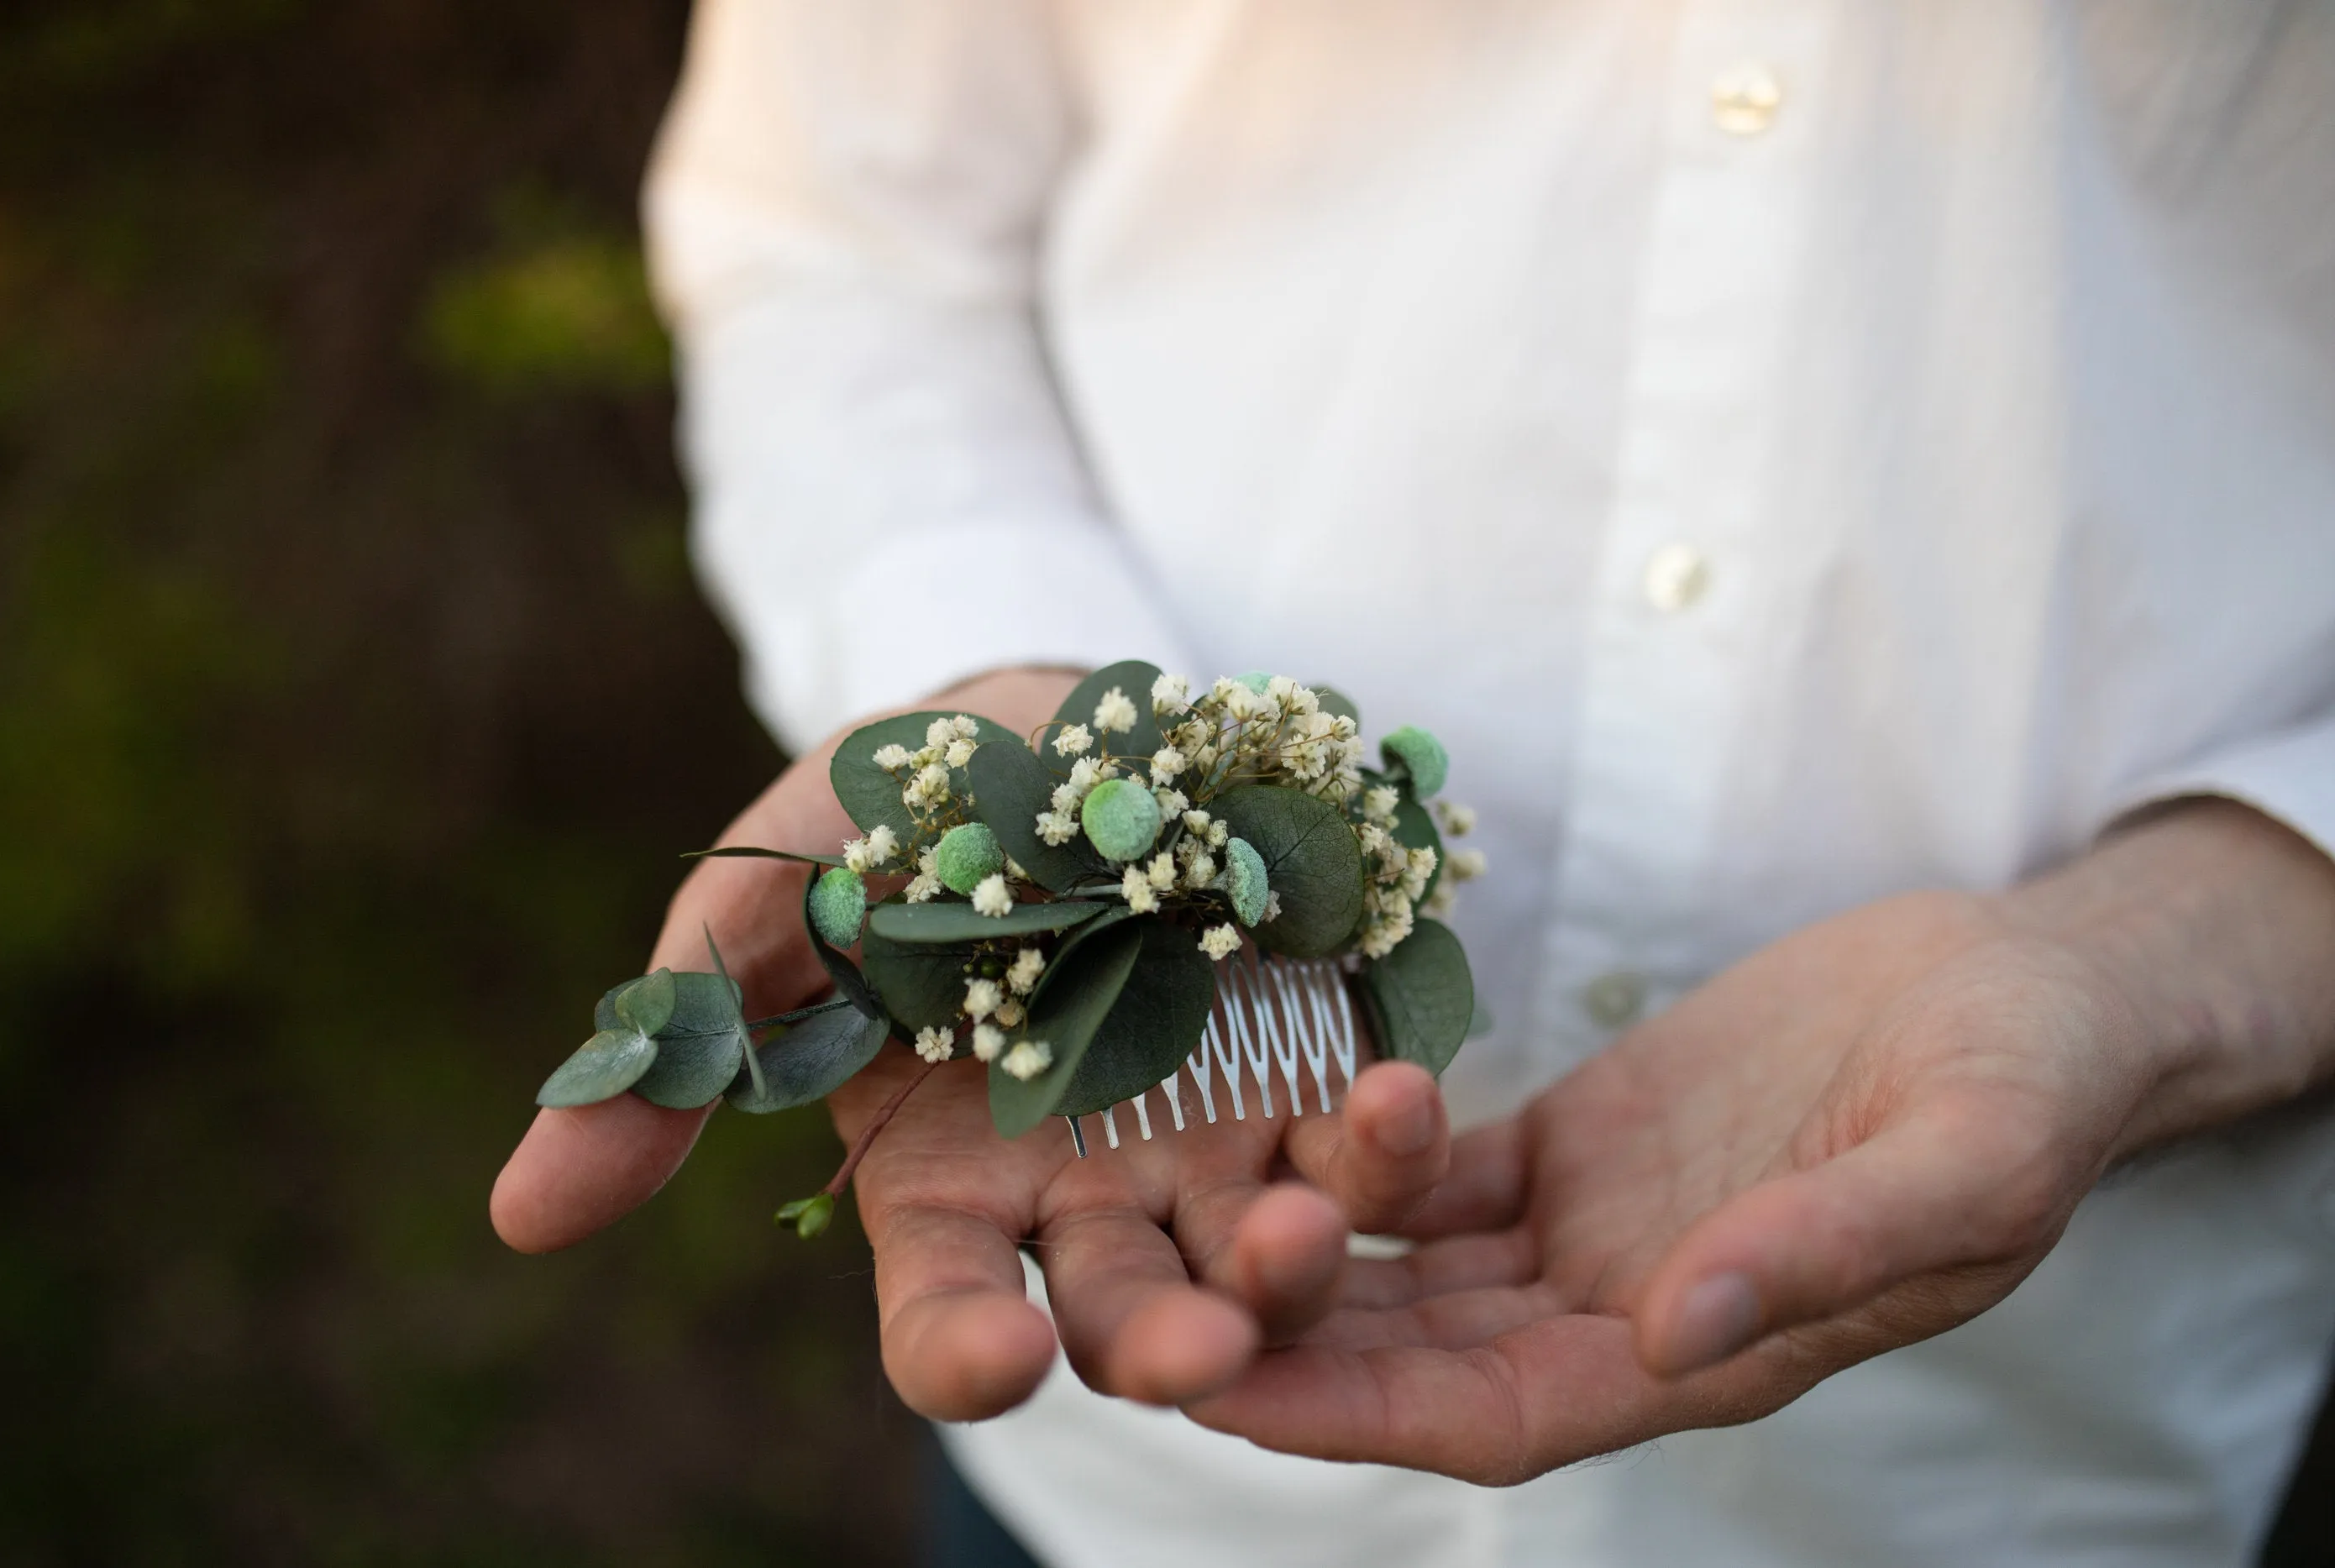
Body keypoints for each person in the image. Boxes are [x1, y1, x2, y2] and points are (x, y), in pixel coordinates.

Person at [492, 4, 2335, 1565]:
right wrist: (994, 700)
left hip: (2019, 1451)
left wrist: (2203, 936)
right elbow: (846, 233)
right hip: (1133, 1470)